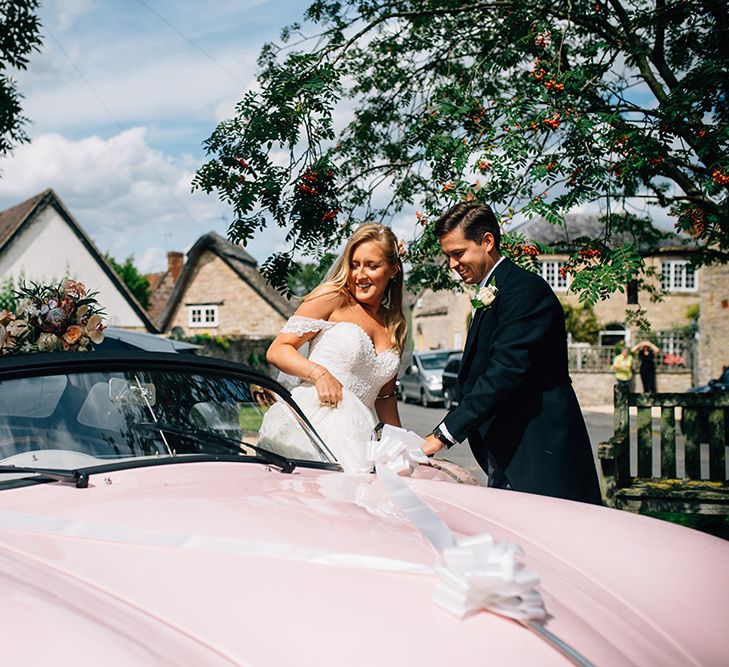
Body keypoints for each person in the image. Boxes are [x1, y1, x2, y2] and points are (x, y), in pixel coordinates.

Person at [421, 202, 601, 504]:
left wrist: (442, 436)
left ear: (487, 241)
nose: (452, 263)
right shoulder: (496, 290)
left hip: (538, 451)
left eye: (458, 253)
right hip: (508, 451)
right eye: (448, 256)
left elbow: (504, 372)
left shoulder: (524, 290)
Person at [259, 223, 406, 472]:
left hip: (358, 436)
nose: (360, 275)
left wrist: (402, 444)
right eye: (355, 264)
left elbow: (385, 396)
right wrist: (319, 374)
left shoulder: (394, 325)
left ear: (393, 270)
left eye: (372, 265)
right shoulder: (333, 297)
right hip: (314, 425)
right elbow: (278, 349)